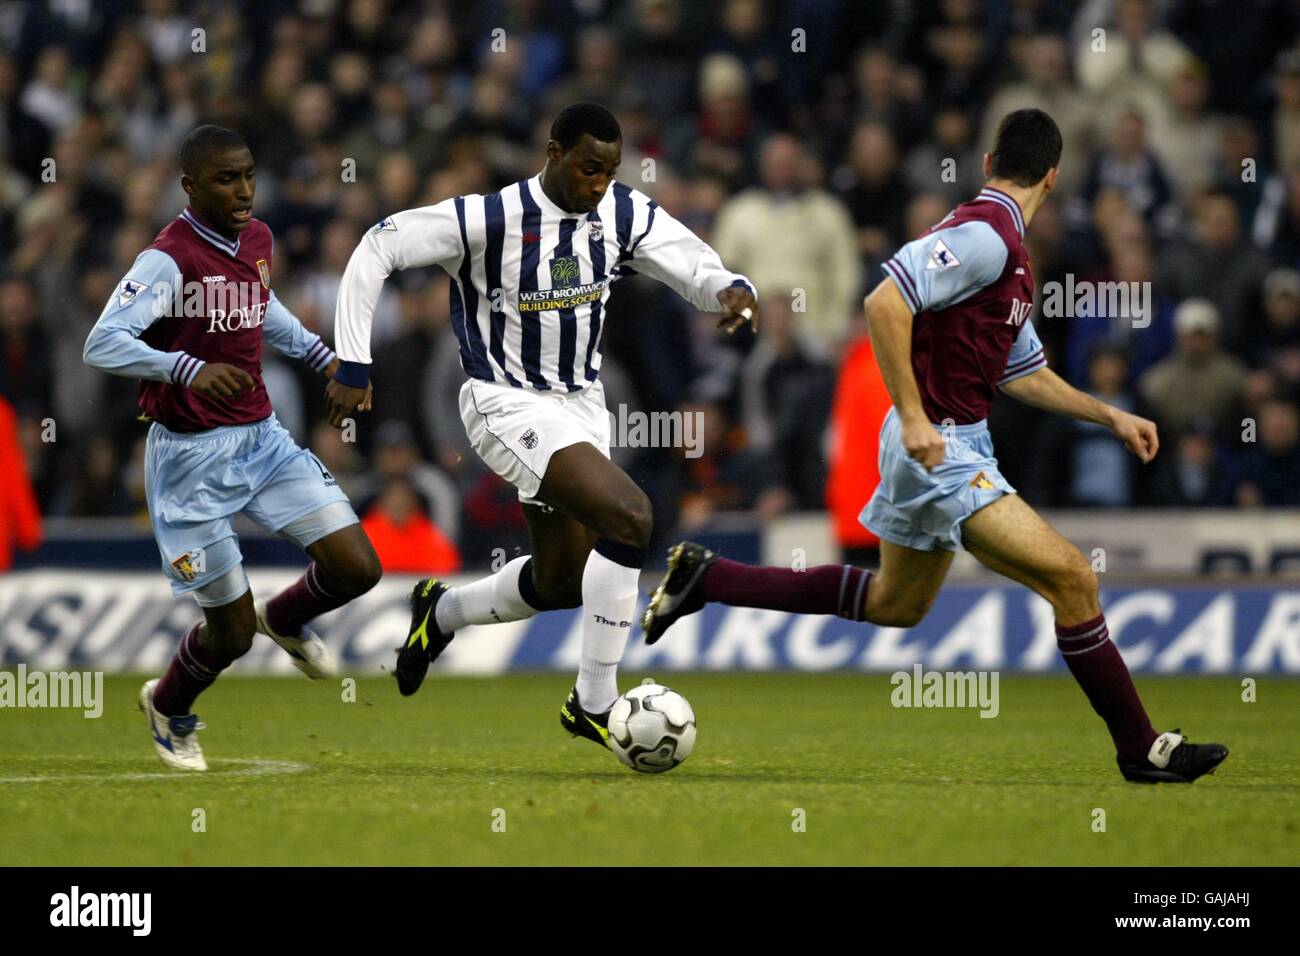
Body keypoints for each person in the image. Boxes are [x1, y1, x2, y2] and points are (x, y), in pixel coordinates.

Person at [643, 109, 1228, 784]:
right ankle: (1141, 749)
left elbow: (1023, 373)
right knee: (1073, 576)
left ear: (988, 162)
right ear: (1054, 178)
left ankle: (707, 577)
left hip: (947, 440)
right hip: (939, 445)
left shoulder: (1007, 253)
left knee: (898, 603)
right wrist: (917, 417)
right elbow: (883, 303)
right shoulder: (985, 236)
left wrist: (1110, 416)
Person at [327, 102, 756, 750]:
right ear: (552, 153)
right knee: (631, 516)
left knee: (560, 581)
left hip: (581, 405)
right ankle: (593, 702)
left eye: (608, 171)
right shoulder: (487, 219)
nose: (597, 185)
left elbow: (689, 262)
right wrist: (353, 360)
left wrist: (729, 287)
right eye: (587, 168)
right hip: (503, 402)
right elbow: (378, 246)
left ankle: (438, 614)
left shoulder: (619, 212)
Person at [83, 125, 382, 771]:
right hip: (188, 461)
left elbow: (259, 305)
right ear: (190, 187)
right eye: (227, 179)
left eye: (248, 174)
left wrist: (322, 356)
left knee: (358, 568)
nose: (245, 189)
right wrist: (185, 368)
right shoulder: (168, 259)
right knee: (232, 634)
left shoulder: (257, 238)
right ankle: (169, 706)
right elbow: (101, 343)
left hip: (261, 440)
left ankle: (290, 616)